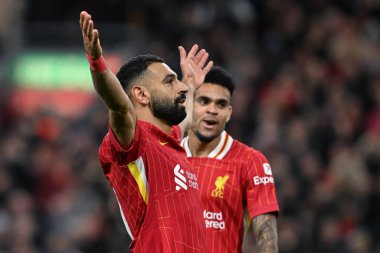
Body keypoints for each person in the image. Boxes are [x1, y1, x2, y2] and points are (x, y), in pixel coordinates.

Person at [79, 11, 213, 252]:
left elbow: (189, 118)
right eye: (170, 81)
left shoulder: (170, 141)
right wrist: (97, 62)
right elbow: (119, 106)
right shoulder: (134, 142)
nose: (180, 87)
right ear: (141, 94)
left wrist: (192, 85)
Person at [181, 66, 279, 253]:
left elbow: (267, 239)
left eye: (221, 104)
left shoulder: (250, 161)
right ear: (189, 105)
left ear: (229, 113)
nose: (212, 110)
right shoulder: (168, 156)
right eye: (204, 101)